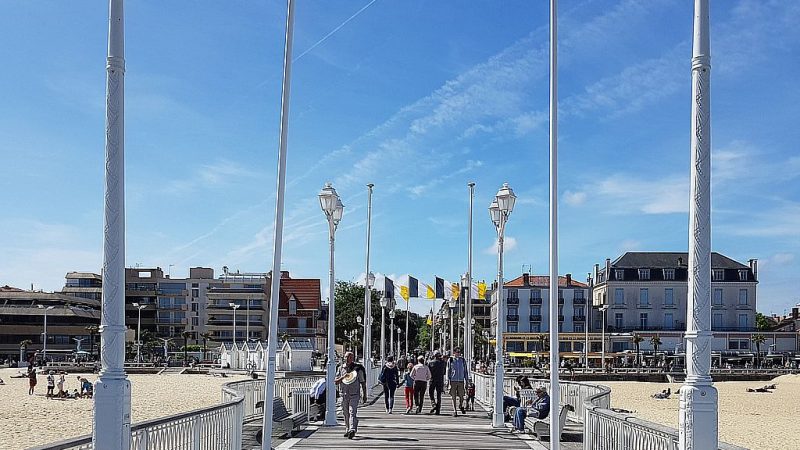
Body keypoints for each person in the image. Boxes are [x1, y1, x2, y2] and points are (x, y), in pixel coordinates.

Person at [334, 352, 366, 439]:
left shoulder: (357, 369)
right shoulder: (341, 368)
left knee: (352, 412)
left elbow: (363, 382)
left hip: (354, 394)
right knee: (345, 413)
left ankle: (352, 429)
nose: (348, 359)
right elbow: (336, 381)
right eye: (346, 357)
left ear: (353, 358)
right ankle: (348, 429)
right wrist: (343, 377)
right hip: (344, 394)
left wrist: (364, 394)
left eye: (350, 357)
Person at [447, 347, 469, 416]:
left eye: (459, 352)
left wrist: (467, 380)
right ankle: (454, 410)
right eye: (457, 352)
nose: (458, 353)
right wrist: (448, 380)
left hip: (461, 380)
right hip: (453, 380)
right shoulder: (450, 360)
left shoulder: (462, 360)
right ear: (454, 352)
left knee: (462, 396)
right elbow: (448, 370)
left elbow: (465, 371)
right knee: (453, 396)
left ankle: (460, 405)